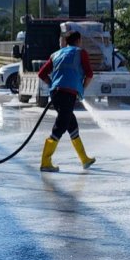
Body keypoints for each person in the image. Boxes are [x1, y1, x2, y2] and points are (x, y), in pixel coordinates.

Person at [37, 30, 95, 172]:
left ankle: (84, 159)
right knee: (60, 126)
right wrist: (82, 89)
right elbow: (89, 74)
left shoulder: (56, 54)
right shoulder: (81, 53)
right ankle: (45, 162)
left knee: (72, 125)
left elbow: (41, 73)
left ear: (66, 42)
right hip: (67, 95)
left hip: (56, 94)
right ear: (79, 40)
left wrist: (52, 84)